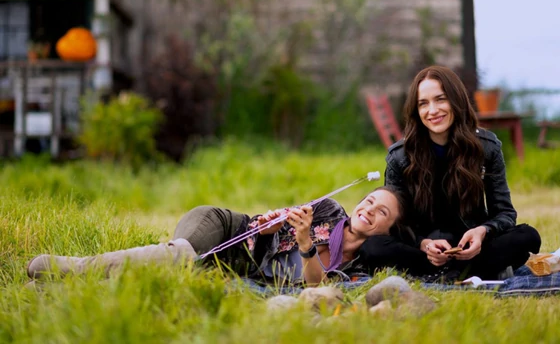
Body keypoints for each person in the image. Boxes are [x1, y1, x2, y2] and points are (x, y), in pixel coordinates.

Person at [359, 65, 541, 281]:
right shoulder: (400, 156)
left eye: (440, 99)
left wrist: (483, 231)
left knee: (527, 237)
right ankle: (468, 273)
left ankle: (448, 273)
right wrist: (423, 243)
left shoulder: (487, 147)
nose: (433, 110)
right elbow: (395, 222)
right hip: (423, 251)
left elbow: (505, 213)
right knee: (373, 247)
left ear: (456, 101)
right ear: (416, 111)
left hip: (473, 246)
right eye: (423, 104)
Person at [27, 186, 408, 286]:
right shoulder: (328, 211)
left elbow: (314, 287)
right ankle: (78, 267)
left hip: (235, 269)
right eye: (369, 201)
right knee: (182, 253)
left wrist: (307, 245)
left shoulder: (356, 267)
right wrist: (269, 224)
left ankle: (64, 283)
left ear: (388, 229)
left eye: (382, 212)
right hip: (226, 228)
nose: (369, 210)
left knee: (174, 276)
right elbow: (260, 229)